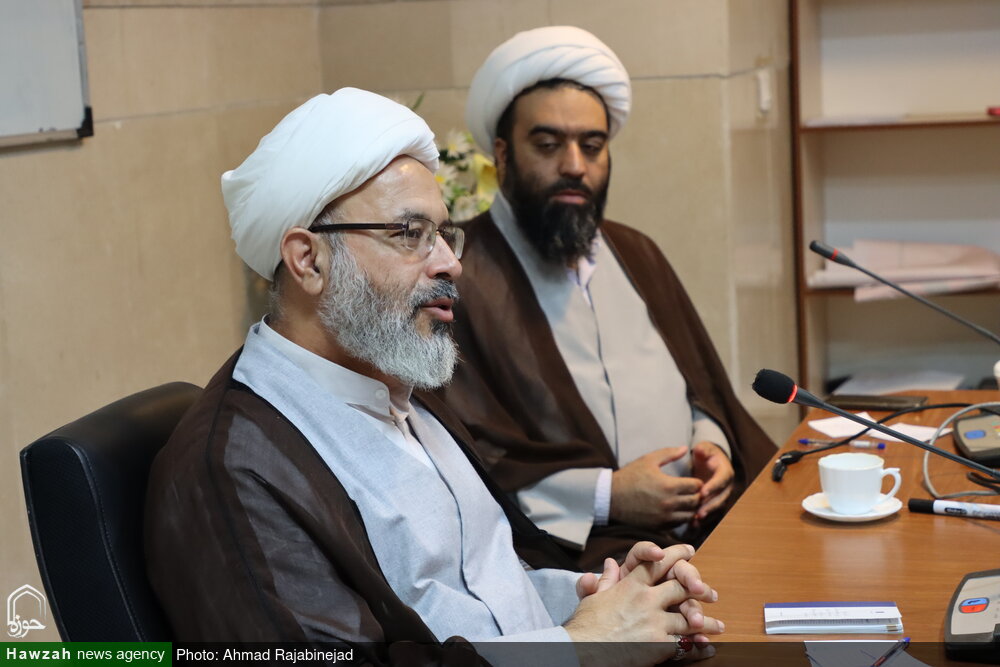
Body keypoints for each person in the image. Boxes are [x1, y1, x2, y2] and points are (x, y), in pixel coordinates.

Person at [144, 87, 722, 666]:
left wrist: (606, 599)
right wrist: (583, 647)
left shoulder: (400, 385)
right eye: (410, 234)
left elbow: (483, 595)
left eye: (444, 234)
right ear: (308, 260)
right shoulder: (233, 471)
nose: (450, 263)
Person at [439, 26, 775, 571]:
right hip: (582, 555)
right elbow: (470, 450)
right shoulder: (457, 274)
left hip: (706, 527)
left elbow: (701, 389)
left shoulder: (636, 251)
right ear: (502, 155)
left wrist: (712, 444)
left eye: (592, 146)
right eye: (548, 145)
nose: (575, 165)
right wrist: (608, 496)